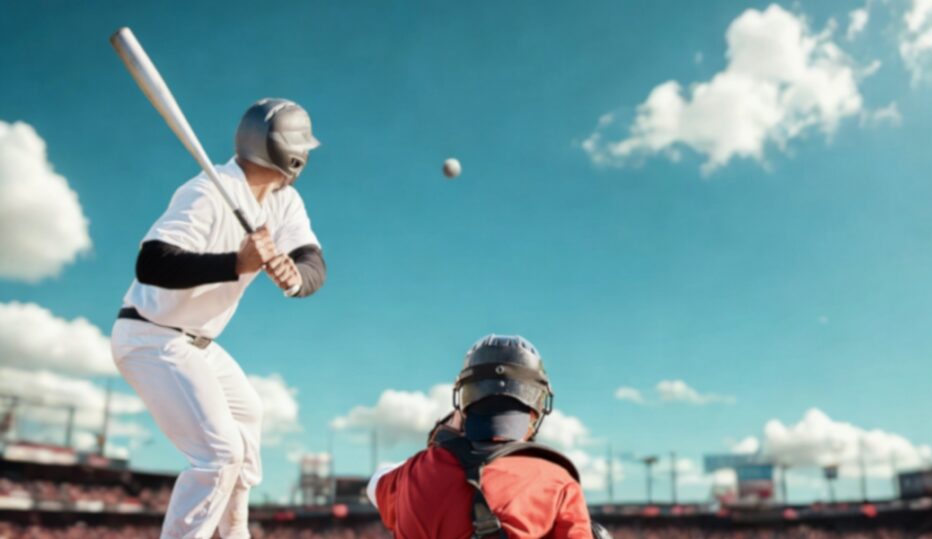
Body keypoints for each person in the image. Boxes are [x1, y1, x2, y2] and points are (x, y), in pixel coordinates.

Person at [109, 98, 326, 539]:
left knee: (248, 417)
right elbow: (152, 263)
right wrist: (235, 262)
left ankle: (235, 533)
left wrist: (293, 276)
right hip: (151, 337)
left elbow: (312, 262)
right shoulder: (207, 191)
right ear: (291, 152)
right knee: (219, 454)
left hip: (197, 344)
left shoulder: (285, 201)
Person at [369, 334, 608, 539]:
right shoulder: (558, 483)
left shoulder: (411, 476)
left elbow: (376, 482)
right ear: (537, 407)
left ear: (463, 402)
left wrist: (442, 441)